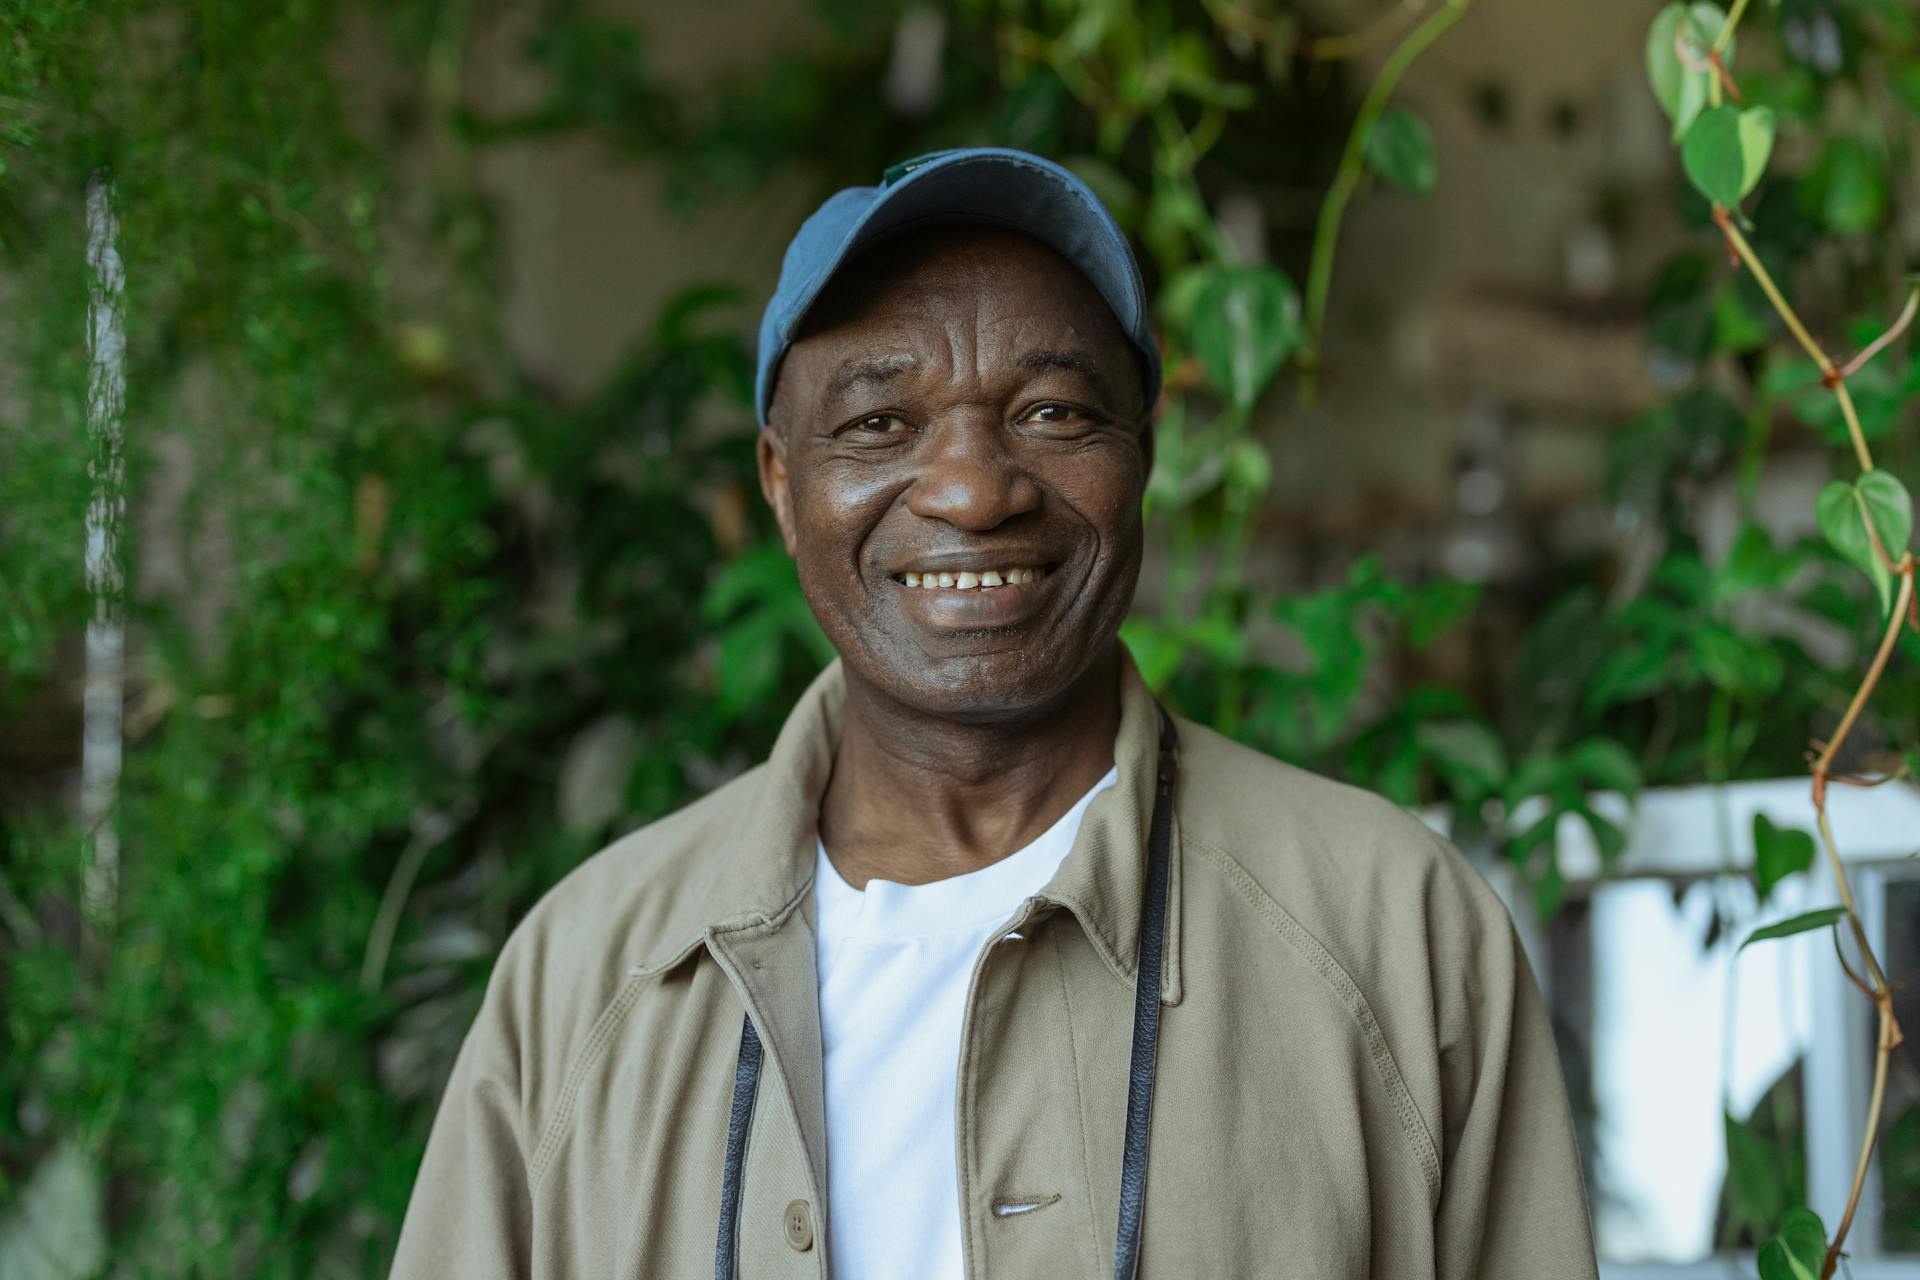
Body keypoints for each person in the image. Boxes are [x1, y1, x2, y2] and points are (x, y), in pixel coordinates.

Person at [391, 146, 1600, 1279]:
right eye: (880, 424)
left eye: (1053, 413)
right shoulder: (588, 973)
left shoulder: (1393, 932)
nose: (972, 489)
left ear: (1145, 451)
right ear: (779, 479)